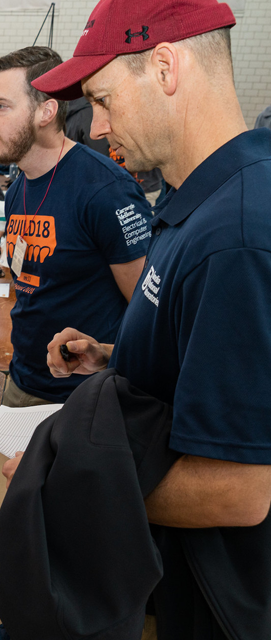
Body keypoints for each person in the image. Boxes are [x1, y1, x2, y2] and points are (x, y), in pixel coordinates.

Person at [26, 1, 271, 638]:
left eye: (103, 99)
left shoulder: (237, 236)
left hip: (219, 601)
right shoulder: (197, 195)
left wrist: (60, 479)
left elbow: (238, 492)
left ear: (164, 67)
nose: (98, 127)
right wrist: (116, 353)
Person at [0, 46, 151, 407]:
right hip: (24, 379)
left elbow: (150, 311)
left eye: (1, 106)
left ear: (46, 110)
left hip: (85, 396)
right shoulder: (19, 186)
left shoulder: (105, 191)